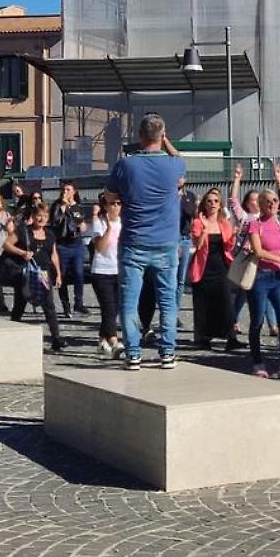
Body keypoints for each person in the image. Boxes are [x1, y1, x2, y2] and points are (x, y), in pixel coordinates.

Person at [105, 113, 187, 371]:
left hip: (134, 241)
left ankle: (133, 354)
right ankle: (168, 353)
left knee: (129, 301)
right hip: (166, 242)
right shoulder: (174, 165)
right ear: (162, 136)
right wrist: (167, 141)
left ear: (139, 135)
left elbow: (110, 196)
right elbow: (179, 161)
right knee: (168, 301)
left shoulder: (125, 165)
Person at [245, 190, 280, 379]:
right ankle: (257, 362)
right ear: (260, 204)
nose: (272, 204)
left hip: (278, 277)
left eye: (275, 200)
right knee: (257, 321)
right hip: (260, 277)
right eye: (267, 201)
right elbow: (259, 252)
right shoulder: (255, 224)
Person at [4, 203, 65, 353]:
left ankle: (56, 338)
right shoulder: (23, 231)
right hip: (26, 272)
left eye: (45, 216)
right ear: (33, 216)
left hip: (43, 273)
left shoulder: (50, 234)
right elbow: (6, 244)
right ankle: (10, 335)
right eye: (39, 215)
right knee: (20, 305)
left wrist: (58, 273)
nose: (42, 219)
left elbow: (53, 254)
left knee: (49, 305)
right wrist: (22, 253)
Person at [190, 187, 240, 351]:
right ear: (204, 204)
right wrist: (205, 229)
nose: (212, 204)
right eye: (209, 201)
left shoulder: (224, 223)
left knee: (226, 302)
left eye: (216, 201)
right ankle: (203, 338)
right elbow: (197, 246)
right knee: (203, 303)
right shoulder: (198, 222)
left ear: (220, 205)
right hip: (203, 267)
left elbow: (229, 247)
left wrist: (234, 235)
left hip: (221, 267)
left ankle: (231, 337)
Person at [228, 164, 271, 338]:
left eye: (259, 198)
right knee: (241, 293)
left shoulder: (268, 218)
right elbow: (233, 201)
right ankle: (232, 322)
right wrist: (237, 179)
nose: (257, 201)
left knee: (266, 293)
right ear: (247, 203)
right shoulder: (245, 218)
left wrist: (278, 180)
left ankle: (272, 325)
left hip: (263, 260)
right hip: (247, 259)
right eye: (253, 199)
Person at [90, 193, 123, 358]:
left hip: (119, 271)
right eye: (112, 203)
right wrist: (109, 229)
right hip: (102, 271)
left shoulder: (124, 223)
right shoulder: (99, 223)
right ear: (105, 206)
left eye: (118, 203)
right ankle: (113, 341)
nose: (115, 206)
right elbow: (100, 247)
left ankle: (102, 340)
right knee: (109, 307)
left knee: (113, 309)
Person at [51, 181, 88, 318]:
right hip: (63, 244)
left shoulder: (78, 207)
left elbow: (81, 222)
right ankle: (66, 305)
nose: (65, 192)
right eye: (64, 189)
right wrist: (62, 206)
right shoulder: (57, 205)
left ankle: (79, 302)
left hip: (76, 244)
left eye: (68, 189)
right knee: (62, 276)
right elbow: (55, 221)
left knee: (79, 273)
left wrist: (83, 226)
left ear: (74, 191)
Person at [175, 181, 198, 316]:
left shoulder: (189, 196)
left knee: (181, 279)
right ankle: (168, 311)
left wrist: (194, 204)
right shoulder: (166, 194)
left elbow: (192, 214)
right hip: (170, 238)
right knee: (169, 278)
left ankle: (175, 313)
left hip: (184, 239)